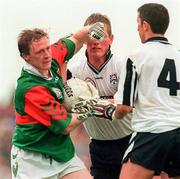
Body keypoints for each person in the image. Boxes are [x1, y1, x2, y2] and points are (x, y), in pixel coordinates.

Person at [94, 3, 180, 179]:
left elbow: (125, 108)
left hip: (152, 132)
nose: (137, 28)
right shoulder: (178, 55)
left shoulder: (136, 56)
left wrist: (106, 110)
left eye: (138, 23)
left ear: (145, 25)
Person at [11, 23, 105, 179]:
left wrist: (92, 29)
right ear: (25, 56)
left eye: (47, 48)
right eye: (40, 52)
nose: (47, 54)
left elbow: (77, 37)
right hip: (32, 160)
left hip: (62, 154)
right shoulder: (30, 89)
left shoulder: (50, 57)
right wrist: (90, 108)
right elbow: (65, 126)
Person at [68, 13, 133, 179]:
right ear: (84, 40)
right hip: (99, 146)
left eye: (101, 35)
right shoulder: (75, 72)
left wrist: (91, 103)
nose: (96, 41)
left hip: (130, 141)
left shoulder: (123, 65)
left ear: (111, 39)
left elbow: (128, 106)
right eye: (91, 35)